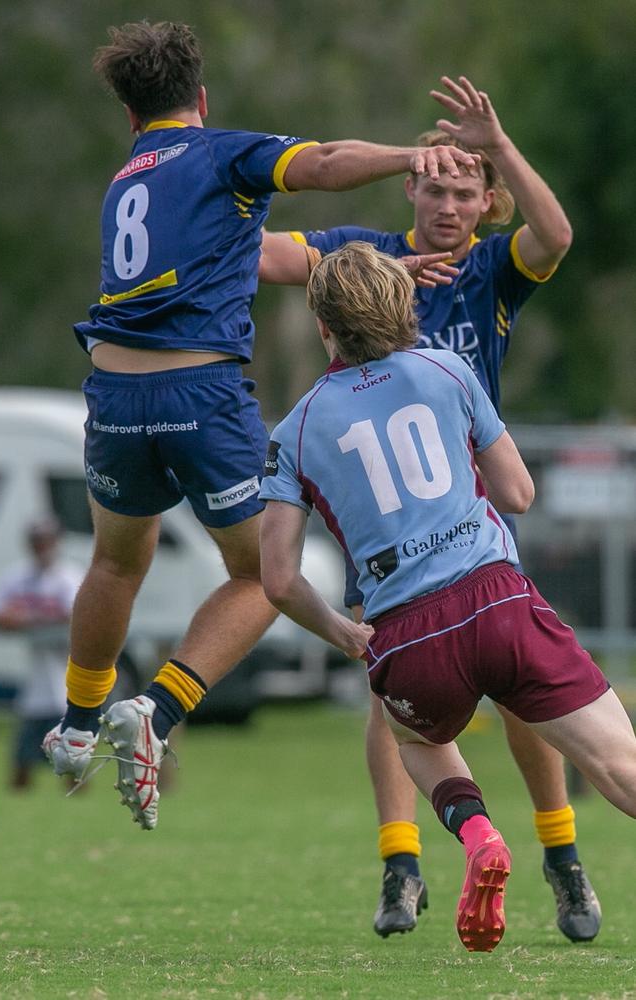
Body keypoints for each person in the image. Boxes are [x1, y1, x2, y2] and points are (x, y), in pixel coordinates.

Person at [41, 21, 479, 831]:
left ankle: (74, 724)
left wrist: (382, 269)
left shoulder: (126, 181)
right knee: (261, 576)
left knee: (115, 562)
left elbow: (253, 256)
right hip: (199, 394)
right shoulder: (216, 153)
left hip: (111, 394)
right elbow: (319, 165)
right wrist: (408, 157)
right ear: (200, 101)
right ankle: (157, 714)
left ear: (131, 116)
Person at [258, 76, 601, 945]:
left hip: (476, 516)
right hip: (397, 529)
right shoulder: (360, 259)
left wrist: (504, 142)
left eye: (464, 191)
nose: (447, 204)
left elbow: (555, 235)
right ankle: (400, 867)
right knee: (396, 698)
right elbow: (266, 257)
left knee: (517, 700)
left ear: (487, 205)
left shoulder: (490, 268)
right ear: (409, 188)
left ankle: (562, 861)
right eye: (434, 186)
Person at [0, 519, 82, 789]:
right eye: (37, 542)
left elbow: (73, 616)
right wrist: (21, 619)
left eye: (47, 541)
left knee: (73, 763)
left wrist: (28, 619)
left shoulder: (68, 577)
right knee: (22, 762)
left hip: (65, 687)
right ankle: (23, 806)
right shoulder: (20, 576)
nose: (42, 548)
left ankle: (77, 808)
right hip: (35, 689)